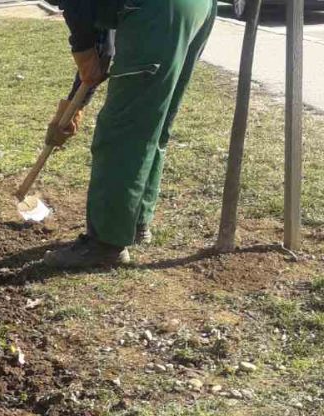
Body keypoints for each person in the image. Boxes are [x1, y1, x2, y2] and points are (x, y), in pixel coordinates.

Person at [42, 0, 216, 268]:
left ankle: (105, 245)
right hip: (193, 9)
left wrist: (83, 52)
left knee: (121, 131)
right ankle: (134, 222)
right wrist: (74, 105)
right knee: (152, 121)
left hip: (157, 12)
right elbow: (101, 48)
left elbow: (84, 27)